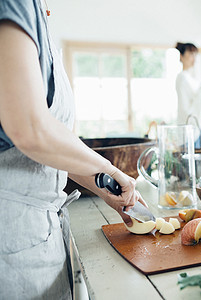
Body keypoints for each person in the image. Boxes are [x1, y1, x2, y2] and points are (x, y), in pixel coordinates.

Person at [0, 1, 145, 298]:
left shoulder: (38, 14)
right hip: (11, 235)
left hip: (39, 235)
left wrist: (106, 189)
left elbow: (54, 144)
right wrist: (110, 169)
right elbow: (30, 129)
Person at [175, 42, 201, 126]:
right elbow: (186, 108)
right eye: (191, 55)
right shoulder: (182, 78)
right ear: (181, 57)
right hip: (189, 125)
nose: (194, 59)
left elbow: (197, 99)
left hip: (199, 123)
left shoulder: (192, 78)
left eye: (195, 55)